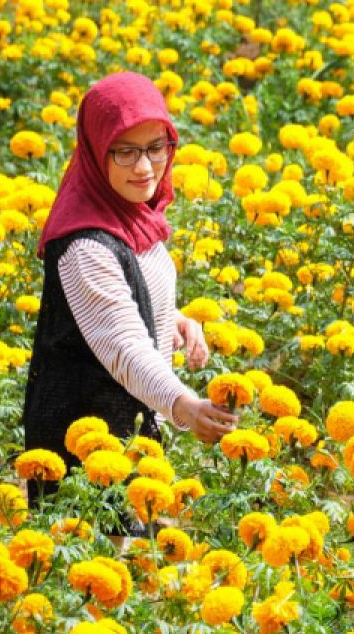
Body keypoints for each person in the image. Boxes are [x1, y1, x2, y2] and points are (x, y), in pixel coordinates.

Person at [22, 72, 238, 512]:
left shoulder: (132, 212)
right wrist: (184, 406)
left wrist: (172, 318)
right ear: (96, 150)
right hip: (85, 448)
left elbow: (130, 294)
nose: (145, 167)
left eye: (156, 148)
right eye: (125, 152)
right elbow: (123, 346)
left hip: (129, 430)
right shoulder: (85, 244)